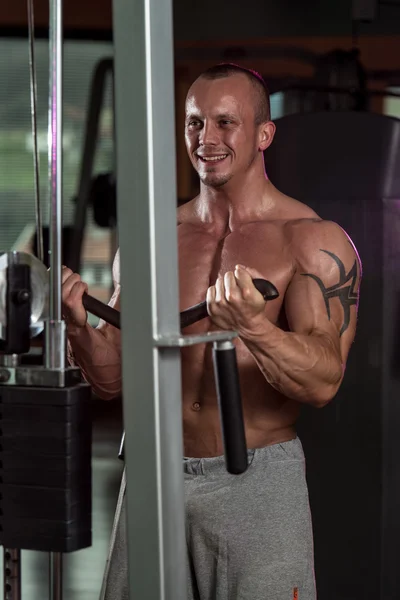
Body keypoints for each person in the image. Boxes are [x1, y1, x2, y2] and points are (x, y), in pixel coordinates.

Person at [63, 63, 361, 600]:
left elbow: (323, 380)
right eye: (195, 123)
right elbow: (112, 381)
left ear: (264, 134)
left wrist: (253, 328)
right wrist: (79, 325)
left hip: (256, 482)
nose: (208, 139)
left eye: (226, 123)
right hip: (153, 474)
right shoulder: (154, 239)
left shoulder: (310, 240)